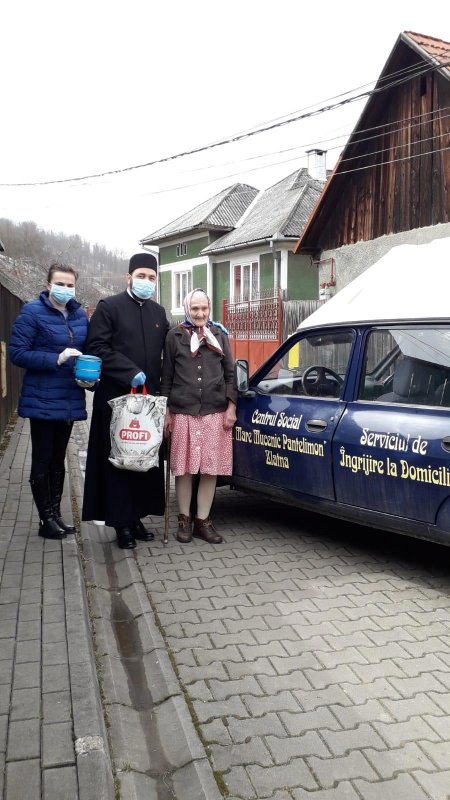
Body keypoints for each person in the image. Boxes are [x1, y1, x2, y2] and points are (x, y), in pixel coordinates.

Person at [82, 252, 169, 549]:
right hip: (116, 399)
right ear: (128, 277)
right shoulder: (110, 307)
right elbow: (96, 346)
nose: (147, 282)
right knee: (119, 460)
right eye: (141, 276)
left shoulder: (158, 313)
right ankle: (120, 523)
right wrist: (129, 371)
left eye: (152, 278)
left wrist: (203, 331)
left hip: (147, 402)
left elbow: (171, 346)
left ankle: (136, 516)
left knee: (143, 459)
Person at [9, 262, 90, 539]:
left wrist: (89, 376)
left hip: (69, 397)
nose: (65, 289)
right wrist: (55, 358)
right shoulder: (32, 312)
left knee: (58, 460)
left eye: (70, 285)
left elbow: (88, 352)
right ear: (48, 284)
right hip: (41, 399)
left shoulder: (79, 316)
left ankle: (56, 514)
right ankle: (45, 520)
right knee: (42, 459)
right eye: (60, 283)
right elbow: (17, 353)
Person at [162, 288, 237, 544]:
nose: (200, 313)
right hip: (183, 411)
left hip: (215, 413)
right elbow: (167, 376)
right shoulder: (174, 336)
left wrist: (231, 407)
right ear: (187, 309)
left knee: (209, 468)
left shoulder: (219, 335)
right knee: (183, 469)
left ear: (209, 309)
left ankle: (203, 521)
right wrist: (166, 412)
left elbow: (230, 374)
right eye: (194, 308)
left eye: (204, 308)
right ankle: (184, 519)